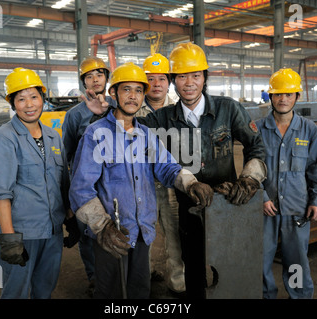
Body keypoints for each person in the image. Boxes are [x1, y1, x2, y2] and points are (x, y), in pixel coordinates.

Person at [85, 43, 267, 299]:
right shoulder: (162, 118)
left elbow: (256, 145)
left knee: (229, 267)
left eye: (196, 75)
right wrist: (98, 115)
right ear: (174, 81)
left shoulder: (228, 109)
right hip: (189, 207)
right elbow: (124, 125)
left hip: (228, 205)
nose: (189, 83)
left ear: (205, 78)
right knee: (191, 266)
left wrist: (249, 179)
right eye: (182, 76)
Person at [69, 62, 214, 299]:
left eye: (138, 91)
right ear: (113, 93)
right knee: (112, 294)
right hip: (111, 234)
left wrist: (190, 183)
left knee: (139, 291)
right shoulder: (95, 134)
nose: (133, 96)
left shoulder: (146, 135)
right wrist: (102, 227)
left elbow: (167, 167)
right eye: (126, 89)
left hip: (142, 232)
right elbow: (81, 190)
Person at [0, 67, 76, 298]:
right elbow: (1, 193)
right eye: (21, 99)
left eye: (34, 97)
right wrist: (9, 239)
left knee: (45, 289)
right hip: (22, 233)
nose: (29, 104)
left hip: (52, 231)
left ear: (42, 99)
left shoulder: (53, 136)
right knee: (15, 292)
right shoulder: (3, 140)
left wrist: (70, 219)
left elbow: (62, 183)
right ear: (13, 103)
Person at [256, 68, 317, 299]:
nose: (283, 99)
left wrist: (316, 200)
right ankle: (265, 295)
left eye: (289, 94)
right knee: (260, 259)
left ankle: (297, 295)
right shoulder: (257, 129)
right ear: (270, 97)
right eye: (278, 94)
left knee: (296, 260)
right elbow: (250, 168)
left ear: (297, 96)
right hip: (265, 209)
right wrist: (261, 196)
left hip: (298, 208)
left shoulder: (309, 130)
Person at [62, 56, 117, 293]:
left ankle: (119, 273)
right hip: (87, 182)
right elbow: (67, 153)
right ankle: (94, 276)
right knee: (88, 232)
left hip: (115, 179)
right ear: (83, 82)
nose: (95, 80)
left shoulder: (118, 105)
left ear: (106, 78)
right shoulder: (75, 115)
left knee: (116, 226)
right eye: (89, 76)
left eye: (99, 75)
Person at [137, 53, 185, 295]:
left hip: (171, 185)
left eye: (161, 79)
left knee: (175, 236)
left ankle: (178, 284)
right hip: (142, 184)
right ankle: (142, 283)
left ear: (169, 82)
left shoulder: (180, 109)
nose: (156, 84)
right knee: (142, 235)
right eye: (150, 79)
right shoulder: (132, 108)